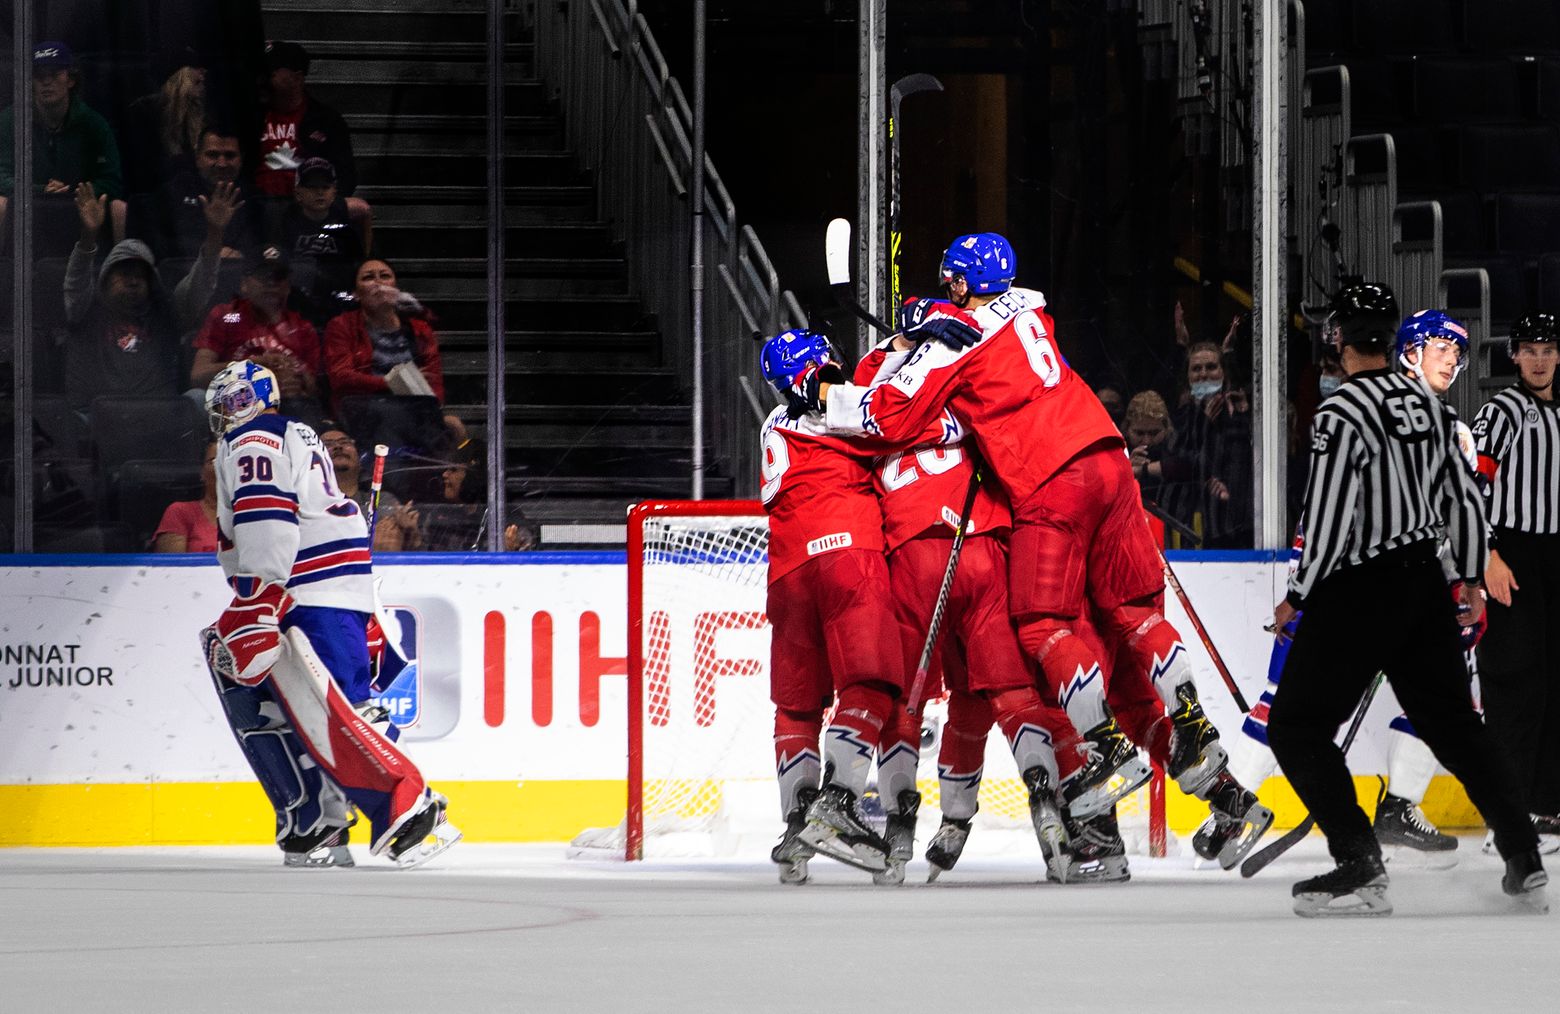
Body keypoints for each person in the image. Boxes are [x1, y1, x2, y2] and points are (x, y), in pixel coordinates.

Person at [800, 233, 1262, 852]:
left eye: (950, 282)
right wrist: (927, 317)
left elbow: (885, 415)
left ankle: (1093, 816)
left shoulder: (943, 351)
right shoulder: (1030, 308)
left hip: (1047, 499)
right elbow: (986, 325)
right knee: (1135, 643)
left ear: (961, 283)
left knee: (1046, 643)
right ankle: (1221, 787)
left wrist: (857, 372)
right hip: (1108, 464)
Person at [1266, 282, 1545, 917]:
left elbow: (1332, 516)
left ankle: (1358, 860)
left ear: (1339, 339)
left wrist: (1299, 594)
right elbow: (1464, 499)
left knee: (1298, 725)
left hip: (1361, 590)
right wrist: (1470, 578)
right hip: (1425, 586)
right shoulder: (1431, 408)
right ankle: (1523, 855)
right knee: (1456, 727)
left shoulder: (1340, 413)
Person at [1207, 306, 1483, 865]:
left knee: (1443, 698)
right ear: (1408, 351)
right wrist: (1308, 582)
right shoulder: (1366, 410)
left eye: (1459, 350)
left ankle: (1397, 808)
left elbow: (1454, 516)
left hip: (1404, 585)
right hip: (1342, 578)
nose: (1453, 359)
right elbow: (1327, 506)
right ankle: (1231, 808)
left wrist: (1458, 582)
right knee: (1283, 698)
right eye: (1442, 347)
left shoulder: (1446, 426)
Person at [847, 312, 1081, 885]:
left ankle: (901, 828)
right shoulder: (966, 382)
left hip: (913, 555)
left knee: (904, 702)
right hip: (981, 549)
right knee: (1011, 694)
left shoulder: (878, 392)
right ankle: (1046, 806)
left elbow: (861, 398)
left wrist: (900, 345)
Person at [202, 359, 458, 867]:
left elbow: (266, 515)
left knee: (334, 707)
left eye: (230, 403)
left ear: (253, 399)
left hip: (305, 585)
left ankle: (406, 806)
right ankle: (318, 821)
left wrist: (261, 596)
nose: (226, 417)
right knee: (279, 700)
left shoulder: (253, 436)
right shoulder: (292, 432)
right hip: (319, 583)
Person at [756, 329, 906, 880]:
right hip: (847, 554)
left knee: (797, 704)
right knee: (872, 683)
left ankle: (797, 825)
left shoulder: (775, 421)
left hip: (788, 572)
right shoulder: (841, 413)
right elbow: (890, 413)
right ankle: (837, 806)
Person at [1473, 311, 1560, 855]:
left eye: (1548, 349)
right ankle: (1505, 817)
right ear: (1514, 355)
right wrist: (1486, 554)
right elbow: (1469, 484)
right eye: (1530, 349)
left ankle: (1545, 806)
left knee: (1552, 684)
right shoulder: (1501, 411)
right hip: (1513, 557)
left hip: (1555, 559)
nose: (1539, 358)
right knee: (1513, 685)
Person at [0, 42, 126, 245]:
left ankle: (116, 270)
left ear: (71, 79)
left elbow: (111, 181)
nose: (46, 81)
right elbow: (1, 175)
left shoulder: (94, 124)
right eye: (39, 75)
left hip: (79, 207)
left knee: (119, 208)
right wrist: (39, 190)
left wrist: (73, 190)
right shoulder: (9, 120)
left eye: (55, 74)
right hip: (27, 205)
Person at [189, 245, 326, 426]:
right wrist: (255, 365)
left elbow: (316, 390)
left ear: (288, 287)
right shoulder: (225, 316)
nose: (271, 283)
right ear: (244, 284)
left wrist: (298, 383)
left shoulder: (302, 328)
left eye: (278, 277)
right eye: (263, 276)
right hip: (233, 406)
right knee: (195, 398)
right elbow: (198, 376)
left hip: (286, 408)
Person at [258, 41, 370, 250]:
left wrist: (320, 204)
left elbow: (346, 175)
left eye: (274, 70)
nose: (266, 75)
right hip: (260, 207)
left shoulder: (325, 120)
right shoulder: (252, 117)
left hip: (307, 209)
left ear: (298, 77)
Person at [133, 124, 266, 263]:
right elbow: (157, 244)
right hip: (181, 277)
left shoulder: (254, 199)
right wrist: (210, 252)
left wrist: (241, 255)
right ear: (197, 158)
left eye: (230, 155)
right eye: (212, 155)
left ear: (241, 159)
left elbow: (264, 247)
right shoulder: (171, 194)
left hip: (242, 277)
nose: (222, 163)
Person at [1171, 341, 1254, 548]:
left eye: (1211, 367)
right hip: (1196, 529)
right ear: (1188, 377)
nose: (1204, 374)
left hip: (1243, 529)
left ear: (1223, 372)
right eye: (1196, 369)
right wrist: (1204, 423)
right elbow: (1180, 464)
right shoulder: (1182, 417)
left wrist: (1244, 416)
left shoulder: (1242, 411)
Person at [268, 157, 364, 328]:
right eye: (312, 187)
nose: (320, 192)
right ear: (298, 193)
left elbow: (358, 264)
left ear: (334, 191)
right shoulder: (284, 225)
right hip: (296, 301)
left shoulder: (346, 228)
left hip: (339, 300)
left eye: (325, 187)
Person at [417, 438, 534, 552]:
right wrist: (413, 539)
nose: (444, 474)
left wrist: (509, 554)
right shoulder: (440, 516)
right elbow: (425, 561)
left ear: (472, 477)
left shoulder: (507, 516)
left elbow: (527, 551)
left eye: (453, 469)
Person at [318, 423, 421, 552]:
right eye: (327, 444)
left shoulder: (384, 501)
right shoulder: (306, 505)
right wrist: (368, 546)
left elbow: (395, 548)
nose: (338, 447)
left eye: (344, 442)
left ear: (360, 461)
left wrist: (413, 537)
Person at [152, 441, 220, 553]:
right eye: (215, 461)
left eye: (233, 462)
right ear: (202, 472)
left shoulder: (256, 514)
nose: (225, 468)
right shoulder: (180, 512)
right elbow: (170, 569)